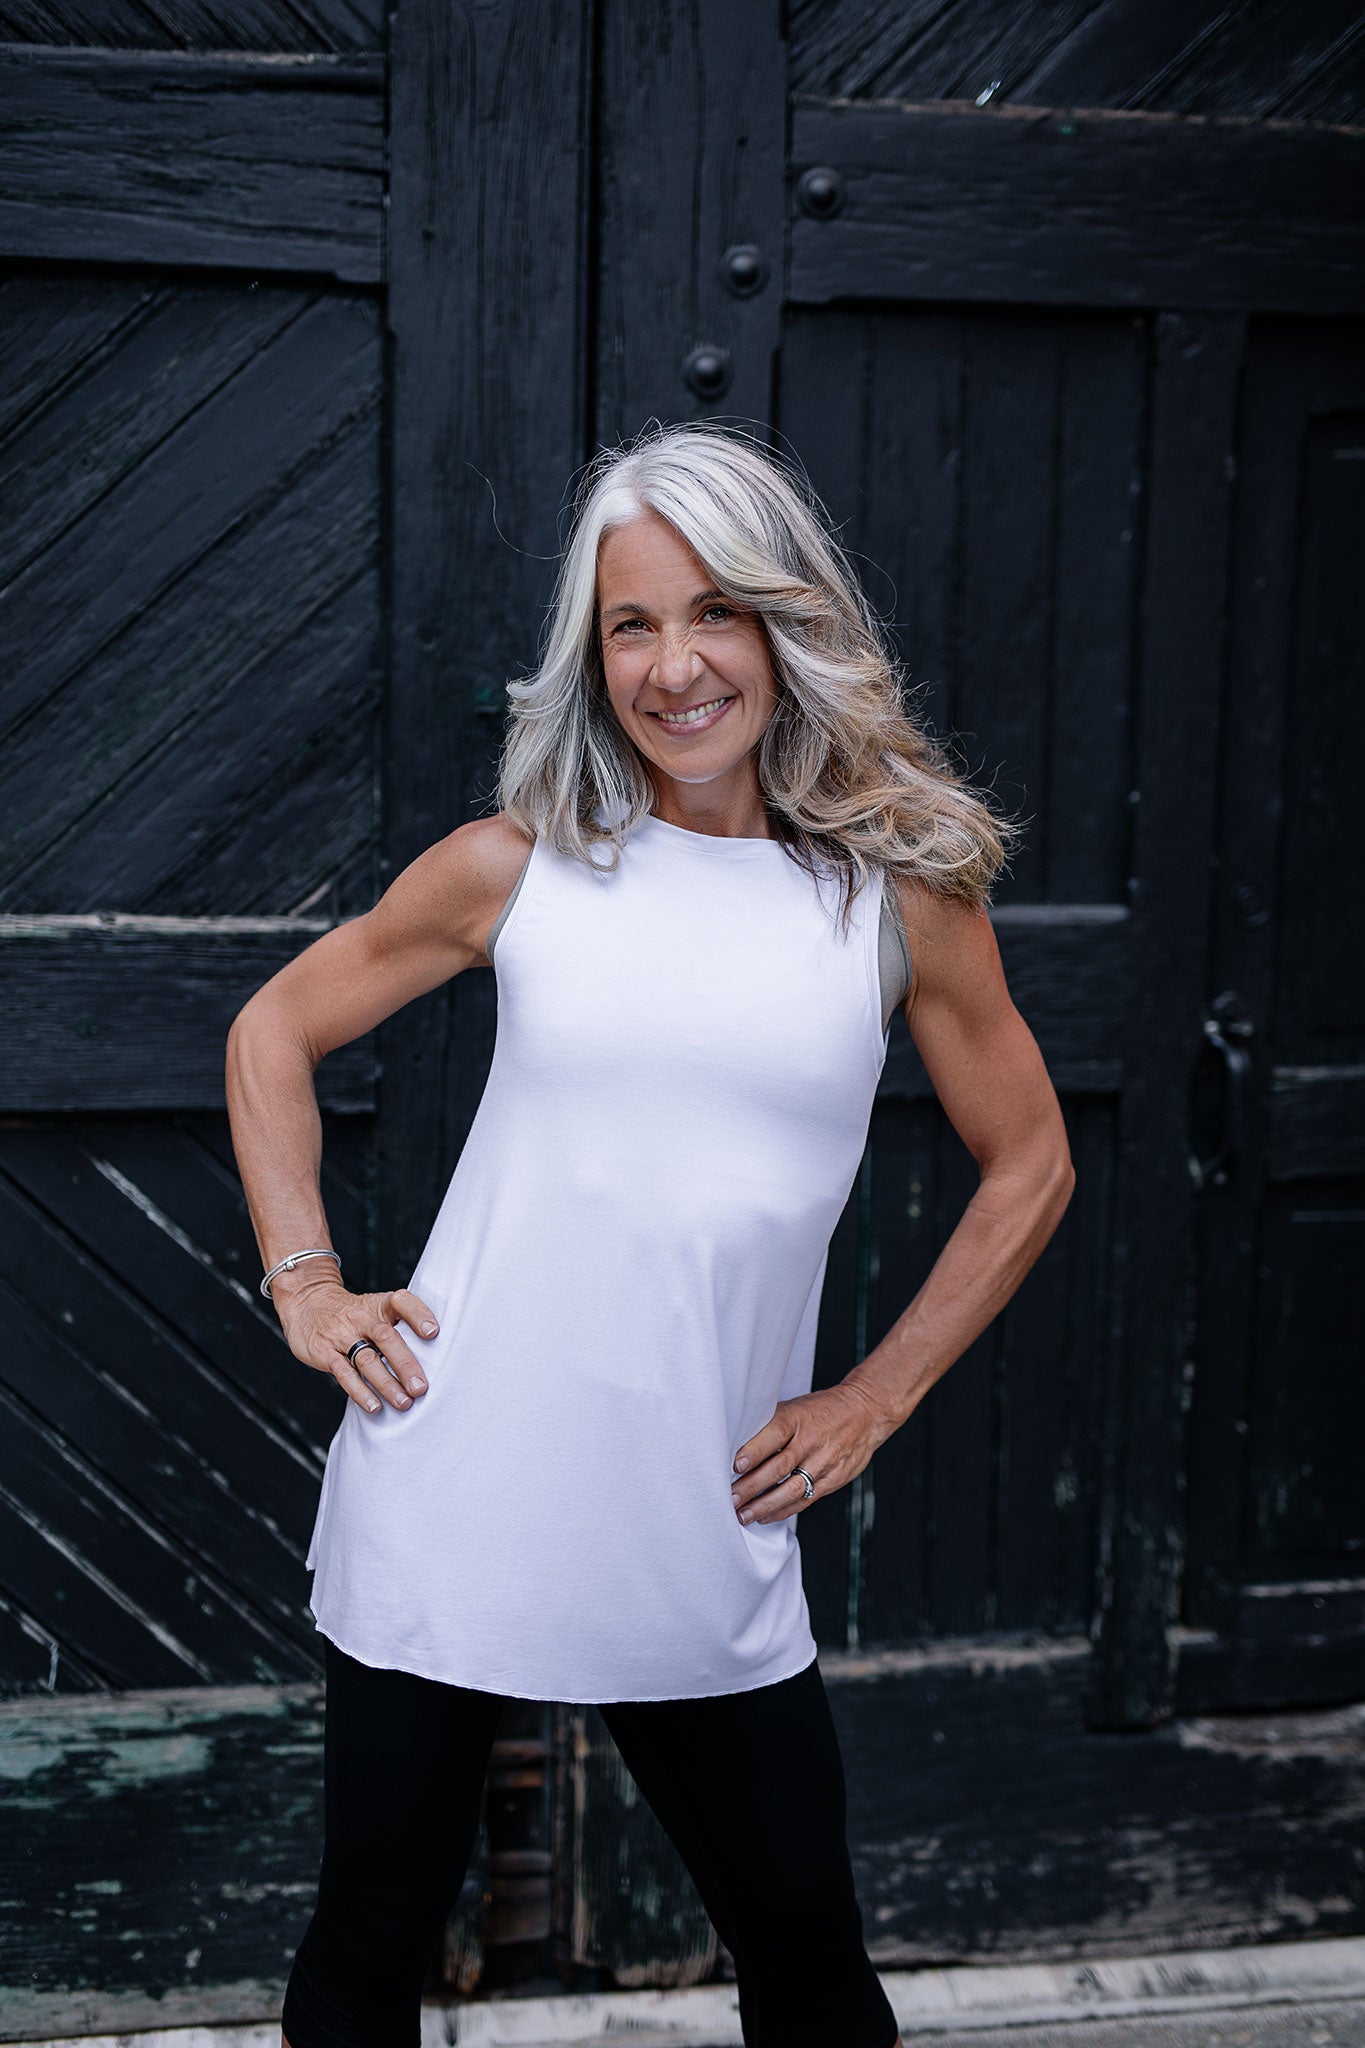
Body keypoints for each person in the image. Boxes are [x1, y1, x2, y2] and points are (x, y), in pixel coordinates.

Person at [226, 421, 1075, 2048]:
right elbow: (274, 1030)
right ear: (589, 650)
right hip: (452, 1480)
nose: (674, 666)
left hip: (699, 1508)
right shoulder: (518, 869)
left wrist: (872, 1395)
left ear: (784, 624)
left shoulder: (894, 903)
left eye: (714, 614)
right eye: (631, 624)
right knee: (365, 1946)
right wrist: (307, 1279)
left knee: (810, 1965)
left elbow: (1028, 1159)